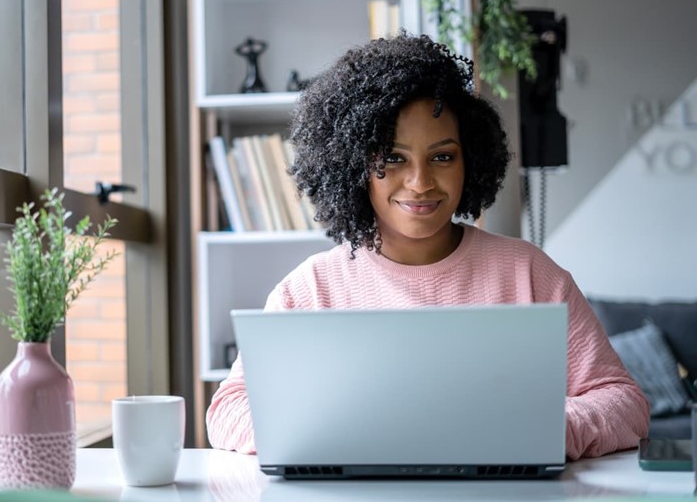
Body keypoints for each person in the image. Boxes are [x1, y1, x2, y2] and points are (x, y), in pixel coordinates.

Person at [206, 34, 649, 460]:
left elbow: (625, 403)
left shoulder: (528, 273)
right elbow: (227, 411)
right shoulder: (309, 289)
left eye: (442, 156)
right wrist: (337, 433)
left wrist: (545, 429)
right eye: (393, 158)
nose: (420, 183)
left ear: (470, 160)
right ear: (354, 165)